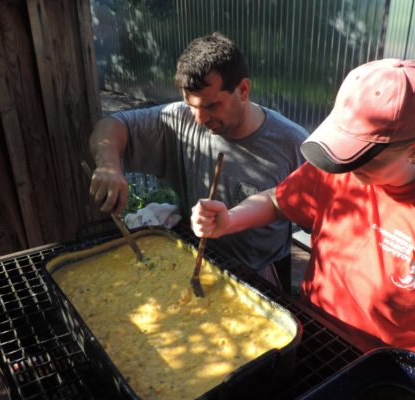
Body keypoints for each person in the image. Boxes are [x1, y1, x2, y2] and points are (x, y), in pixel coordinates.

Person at [191, 58, 415, 379]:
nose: (346, 171)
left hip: (387, 369)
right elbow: (278, 201)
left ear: (414, 152)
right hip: (311, 331)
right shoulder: (339, 165)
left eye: (363, 160)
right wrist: (230, 219)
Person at [88, 33, 308, 288]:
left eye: (212, 106)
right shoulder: (181, 119)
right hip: (193, 261)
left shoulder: (292, 143)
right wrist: (108, 165)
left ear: (244, 89)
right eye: (191, 105)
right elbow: (112, 125)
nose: (200, 119)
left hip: (261, 273)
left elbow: (317, 219)